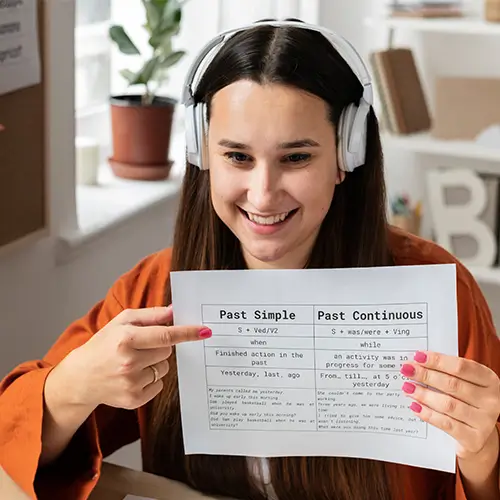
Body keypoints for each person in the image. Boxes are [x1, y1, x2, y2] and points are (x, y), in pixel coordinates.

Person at [1, 18, 499, 500]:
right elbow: (11, 455)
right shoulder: (155, 289)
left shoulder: (436, 290)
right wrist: (70, 387)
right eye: (237, 157)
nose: (263, 195)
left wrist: (481, 454)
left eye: (296, 158)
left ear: (347, 156)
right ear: (202, 154)